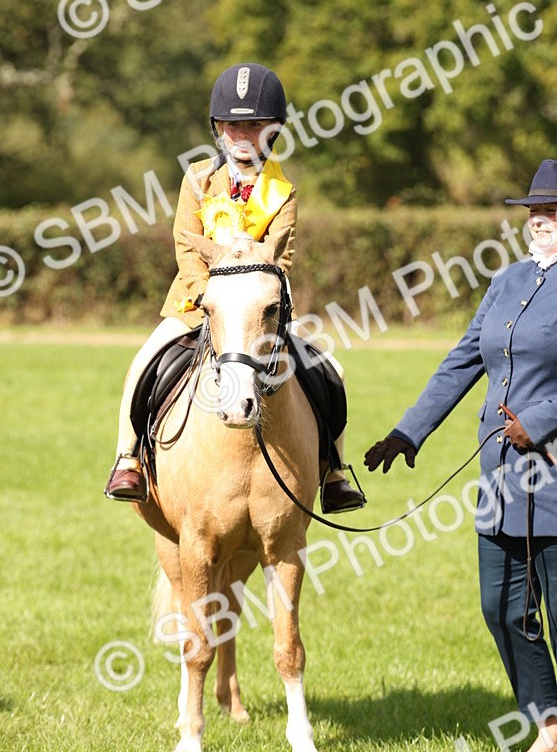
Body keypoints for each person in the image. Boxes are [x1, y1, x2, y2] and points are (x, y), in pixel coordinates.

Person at [365, 158, 557, 752]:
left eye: (553, 210)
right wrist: (410, 431)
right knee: (502, 606)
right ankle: (545, 721)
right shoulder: (510, 280)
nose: (538, 220)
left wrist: (541, 420)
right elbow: (464, 359)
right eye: (533, 210)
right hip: (502, 475)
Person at [105, 62, 365, 514]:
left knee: (332, 371)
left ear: (274, 129)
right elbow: (185, 245)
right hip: (197, 304)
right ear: (217, 129)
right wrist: (208, 297)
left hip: (261, 312)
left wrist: (254, 300)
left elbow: (280, 260)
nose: (242, 135)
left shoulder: (282, 192)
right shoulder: (197, 180)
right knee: (142, 362)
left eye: (254, 125)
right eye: (232, 125)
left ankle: (334, 473)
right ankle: (128, 459)